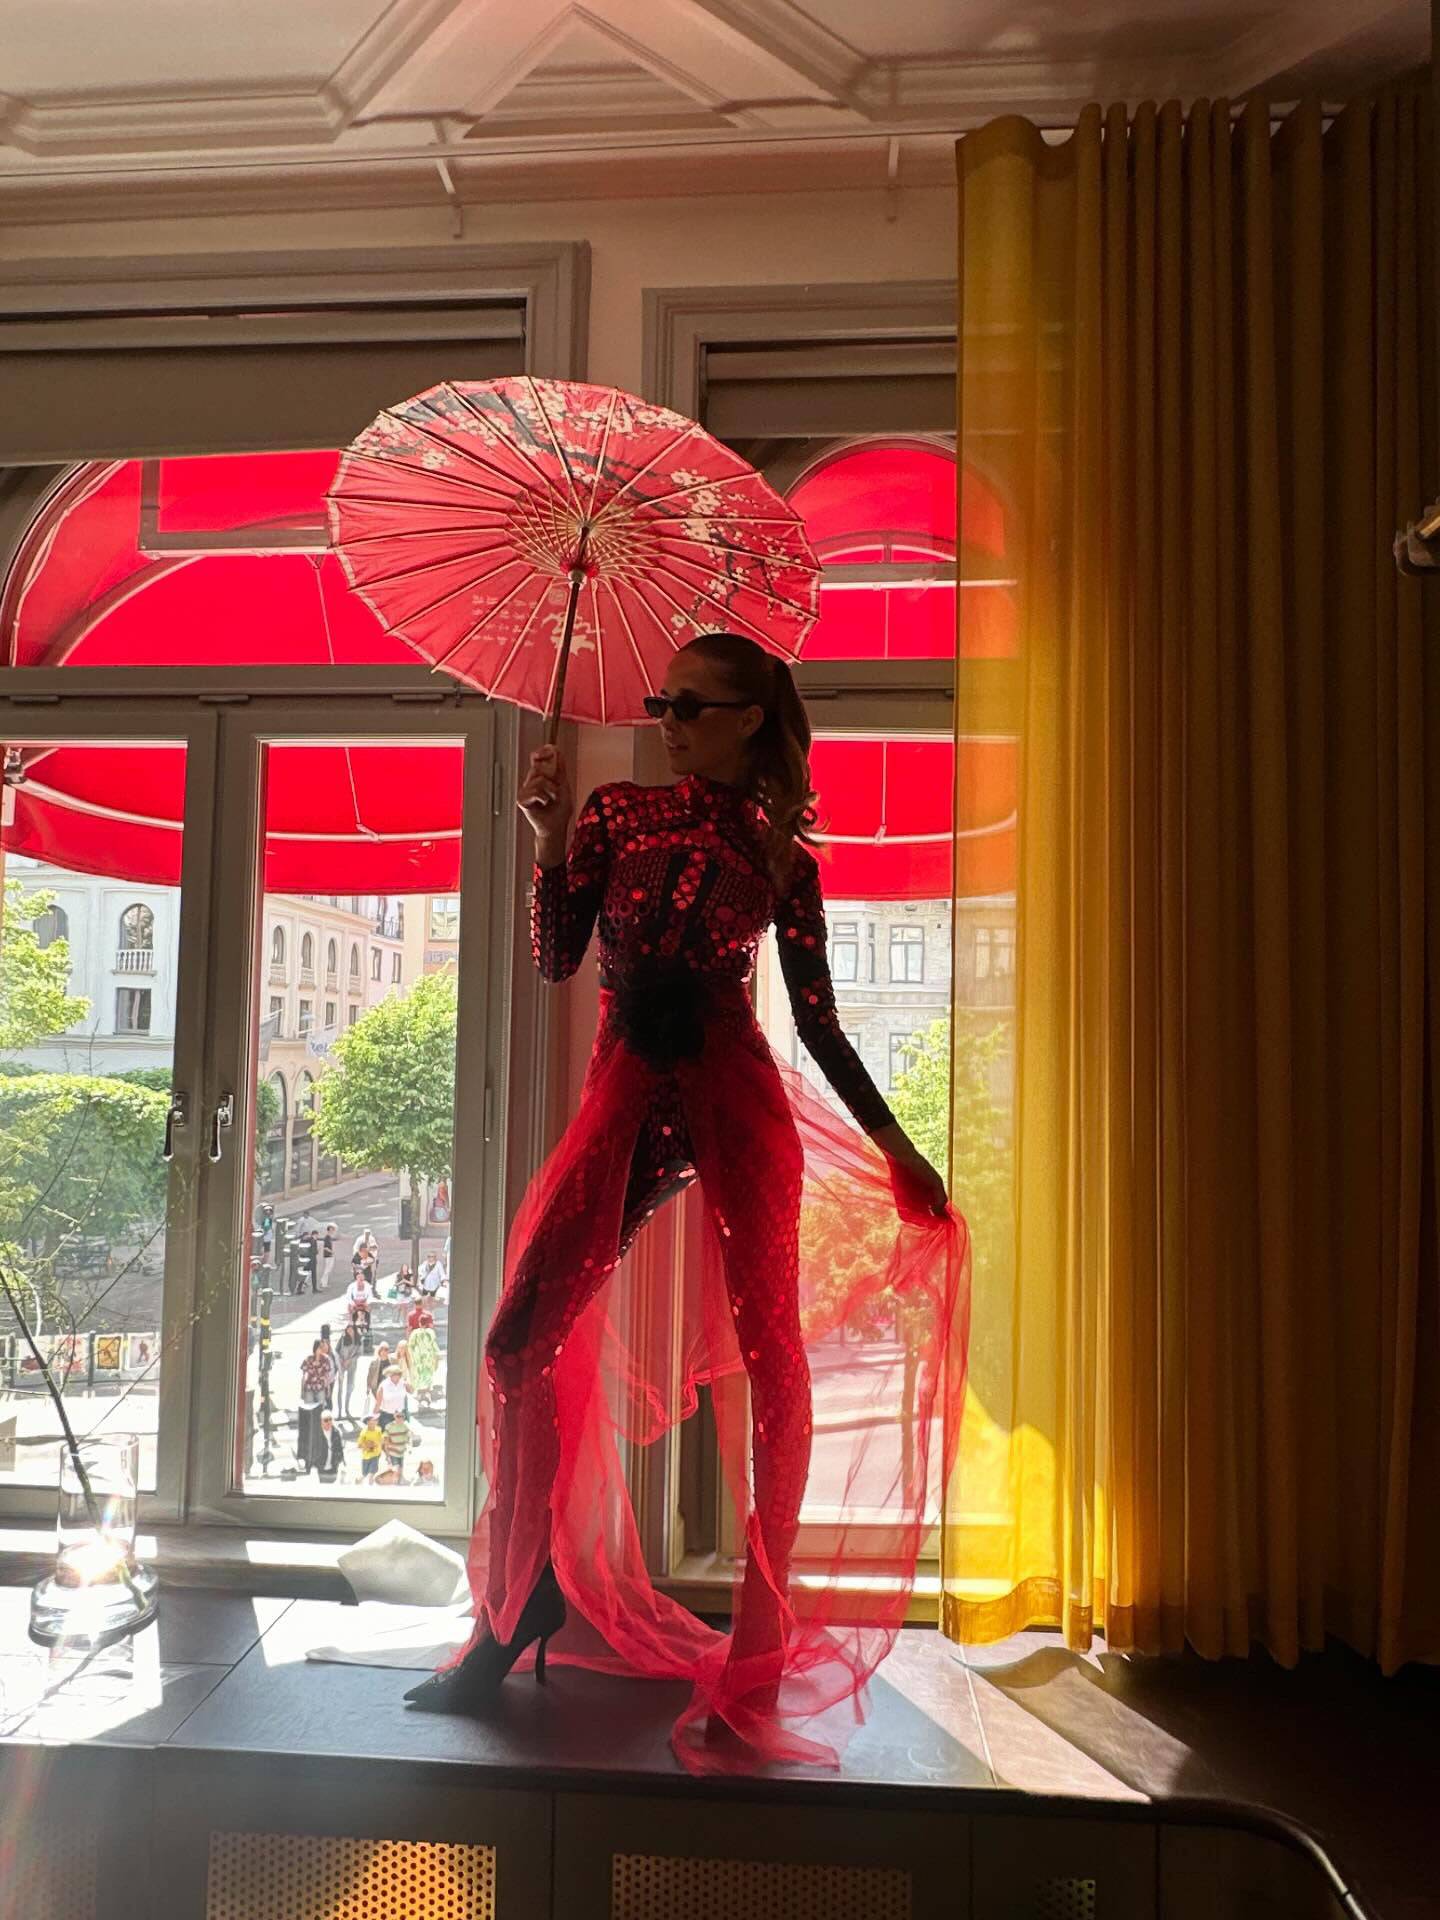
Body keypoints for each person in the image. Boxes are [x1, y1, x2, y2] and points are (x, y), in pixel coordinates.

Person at [404, 631, 967, 1775]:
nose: (667, 722)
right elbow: (558, 957)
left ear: (750, 719)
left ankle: (757, 1653)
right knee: (517, 1342)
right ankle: (519, 1600)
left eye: (690, 706)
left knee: (775, 1363)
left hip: (734, 1096)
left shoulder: (778, 851)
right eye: (663, 704)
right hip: (627, 1093)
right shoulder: (617, 813)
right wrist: (547, 839)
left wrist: (899, 1148)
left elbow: (818, 1024)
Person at [296, 1338, 331, 1472]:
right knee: (309, 1413)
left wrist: (328, 1389)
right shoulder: (308, 1359)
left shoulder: (325, 1360)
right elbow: (304, 1375)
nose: (322, 1350)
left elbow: (327, 1376)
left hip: (320, 1387)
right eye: (320, 1347)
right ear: (316, 1348)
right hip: (310, 1388)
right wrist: (302, 1390)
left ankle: (319, 1433)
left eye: (323, 1347)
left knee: (320, 1412)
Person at [333, 1322, 362, 1419]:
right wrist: (341, 1360)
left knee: (350, 1387)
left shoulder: (359, 1339)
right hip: (342, 1365)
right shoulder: (343, 1338)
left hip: (352, 1366)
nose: (349, 1331)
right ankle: (339, 1412)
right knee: (340, 1388)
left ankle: (347, 1410)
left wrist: (350, 1360)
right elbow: (336, 1351)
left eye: (351, 1329)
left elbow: (359, 1353)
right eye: (348, 1329)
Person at [378, 1408, 411, 1484]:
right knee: (396, 1467)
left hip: (401, 1451)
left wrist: (409, 1439)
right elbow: (385, 1437)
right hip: (393, 1451)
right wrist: (386, 1446)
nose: (400, 1418)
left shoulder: (404, 1426)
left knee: (401, 1467)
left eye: (402, 1416)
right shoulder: (389, 1426)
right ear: (394, 1416)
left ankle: (400, 1479)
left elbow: (408, 1435)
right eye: (398, 1416)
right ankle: (394, 1481)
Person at [373, 1362, 408, 1430]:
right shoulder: (383, 1385)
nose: (398, 1376)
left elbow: (412, 1391)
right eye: (395, 1374)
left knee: (399, 1434)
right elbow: (378, 1403)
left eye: (399, 1374)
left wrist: (408, 1384)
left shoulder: (403, 1383)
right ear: (390, 1375)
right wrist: (373, 1417)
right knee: (387, 1435)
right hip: (386, 1416)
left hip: (400, 1415)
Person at [316, 1411, 345, 1483]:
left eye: (330, 1419)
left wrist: (339, 1459)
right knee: (323, 1484)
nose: (329, 1422)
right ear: (321, 1422)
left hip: (334, 1466)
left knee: (332, 1484)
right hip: (321, 1466)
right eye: (326, 1420)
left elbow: (340, 1448)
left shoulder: (336, 1432)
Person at [357, 1412, 384, 1484]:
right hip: (366, 1456)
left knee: (372, 1473)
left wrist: (377, 1444)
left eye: (376, 1420)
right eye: (374, 1420)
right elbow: (359, 1445)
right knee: (364, 1474)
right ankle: (359, 1481)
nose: (376, 1421)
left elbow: (381, 1441)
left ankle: (370, 1487)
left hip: (376, 1455)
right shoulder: (364, 1432)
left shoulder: (378, 1429)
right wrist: (368, 1445)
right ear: (368, 1422)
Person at [365, 1341, 392, 1408]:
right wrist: (368, 1387)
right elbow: (370, 1375)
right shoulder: (374, 1362)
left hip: (388, 1387)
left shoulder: (392, 1361)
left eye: (386, 1350)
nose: (384, 1352)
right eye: (382, 1350)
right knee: (380, 1404)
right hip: (376, 1387)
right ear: (379, 1351)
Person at [318, 1224, 338, 1292]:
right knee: (328, 1269)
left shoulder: (329, 1237)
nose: (333, 1231)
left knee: (328, 1269)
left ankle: (323, 1281)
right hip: (328, 1255)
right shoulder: (327, 1237)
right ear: (329, 1230)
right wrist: (332, 1252)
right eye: (332, 1230)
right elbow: (325, 1247)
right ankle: (324, 1283)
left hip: (329, 1255)